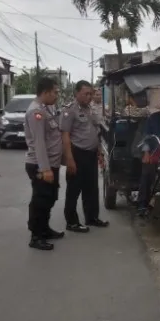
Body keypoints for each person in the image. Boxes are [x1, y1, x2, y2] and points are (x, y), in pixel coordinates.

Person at [61, 80, 109, 233]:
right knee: (74, 189)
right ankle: (72, 222)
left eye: (90, 94)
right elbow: (65, 136)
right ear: (76, 93)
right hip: (77, 153)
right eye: (86, 94)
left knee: (91, 188)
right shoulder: (69, 110)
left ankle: (92, 217)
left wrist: (99, 152)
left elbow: (96, 132)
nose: (89, 97)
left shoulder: (91, 109)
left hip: (91, 153)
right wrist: (69, 159)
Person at [24, 77, 63, 251]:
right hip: (41, 165)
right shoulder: (36, 112)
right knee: (40, 200)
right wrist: (45, 169)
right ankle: (36, 236)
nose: (57, 95)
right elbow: (39, 142)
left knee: (49, 198)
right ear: (46, 92)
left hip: (50, 164)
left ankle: (45, 229)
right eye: (55, 92)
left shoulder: (45, 109)